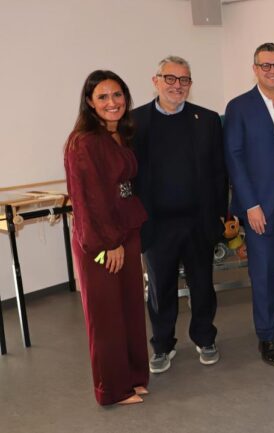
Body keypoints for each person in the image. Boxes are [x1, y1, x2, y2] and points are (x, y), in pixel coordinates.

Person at [132, 56, 227, 373]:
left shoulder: (208, 120)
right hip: (156, 224)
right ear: (155, 80)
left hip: (198, 222)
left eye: (184, 79)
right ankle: (162, 345)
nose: (177, 85)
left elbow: (219, 172)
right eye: (170, 78)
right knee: (160, 289)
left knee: (203, 285)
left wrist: (220, 216)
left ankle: (205, 337)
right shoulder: (135, 122)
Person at [64, 70, 149, 405]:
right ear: (89, 102)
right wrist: (109, 243)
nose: (112, 102)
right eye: (103, 96)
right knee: (107, 317)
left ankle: (133, 378)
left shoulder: (119, 135)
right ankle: (112, 389)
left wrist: (122, 237)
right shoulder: (83, 142)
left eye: (117, 95)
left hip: (126, 229)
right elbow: (88, 199)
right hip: (101, 241)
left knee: (130, 308)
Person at [224, 42, 274, 366]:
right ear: (255, 69)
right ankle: (266, 335)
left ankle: (272, 321)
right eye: (265, 65)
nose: (272, 71)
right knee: (262, 270)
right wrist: (250, 205)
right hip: (260, 204)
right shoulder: (239, 107)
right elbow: (234, 157)